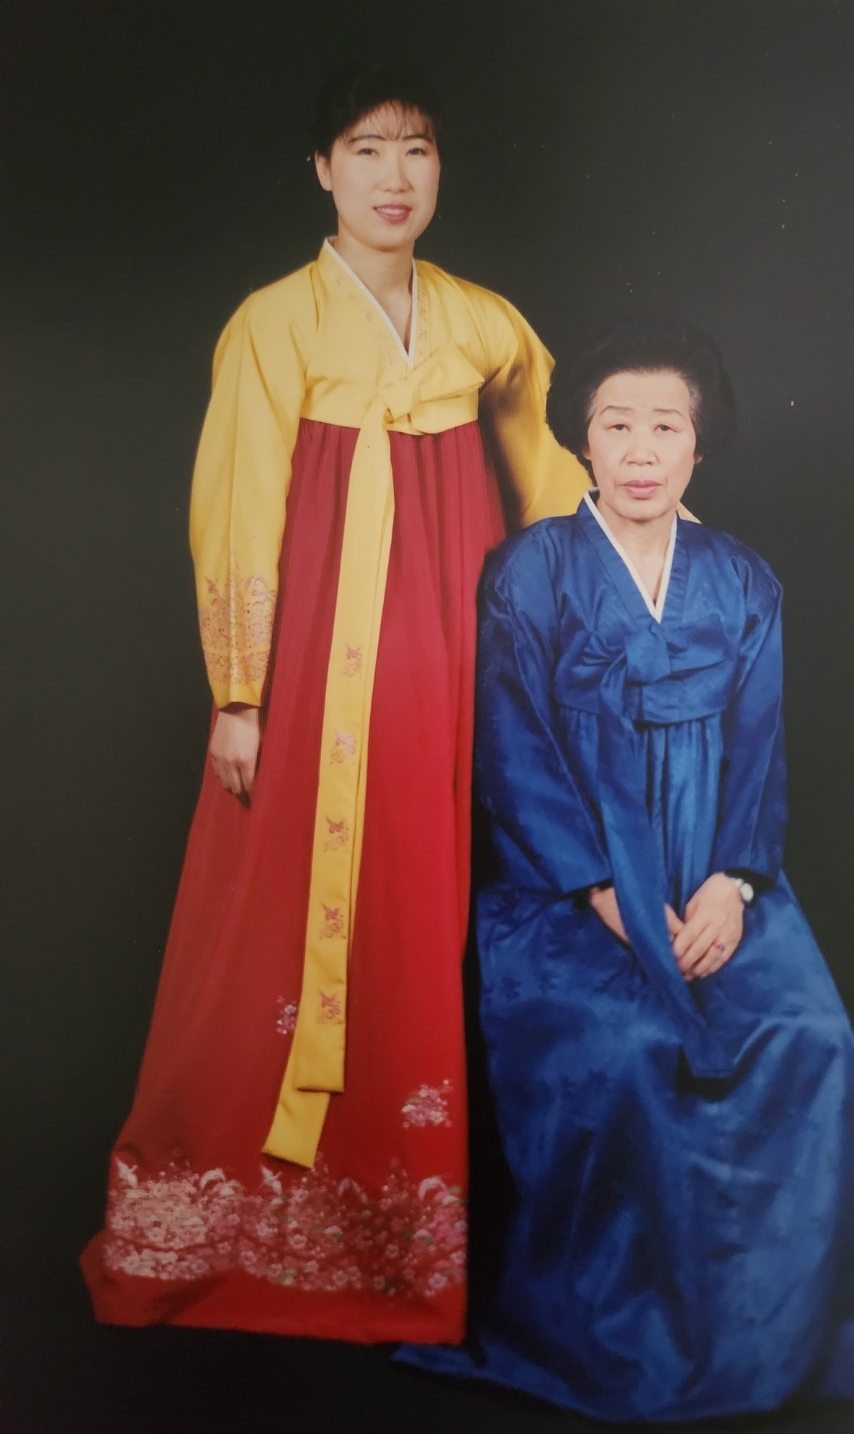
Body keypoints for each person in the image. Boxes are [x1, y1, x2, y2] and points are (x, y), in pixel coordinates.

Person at [80, 61, 587, 1345]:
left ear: (439, 168)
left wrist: (628, 567)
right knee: (271, 912)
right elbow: (236, 504)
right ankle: (234, 1219)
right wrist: (238, 692)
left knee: (420, 902)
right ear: (322, 171)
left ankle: (401, 1244)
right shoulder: (272, 323)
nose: (393, 177)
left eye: (415, 150)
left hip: (449, 660)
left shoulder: (483, 324)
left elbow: (551, 474)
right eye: (365, 150)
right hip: (310, 665)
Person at [397, 320, 854, 1419]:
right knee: (624, 1053)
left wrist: (733, 883)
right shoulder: (527, 573)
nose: (640, 450)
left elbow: (758, 749)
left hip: (712, 869)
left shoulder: (743, 580)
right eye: (616, 425)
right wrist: (603, 891)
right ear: (581, 440)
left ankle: (769, 1325)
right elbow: (513, 753)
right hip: (568, 891)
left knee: (813, 1042)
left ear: (698, 446)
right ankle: (626, 1330)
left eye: (665, 428)